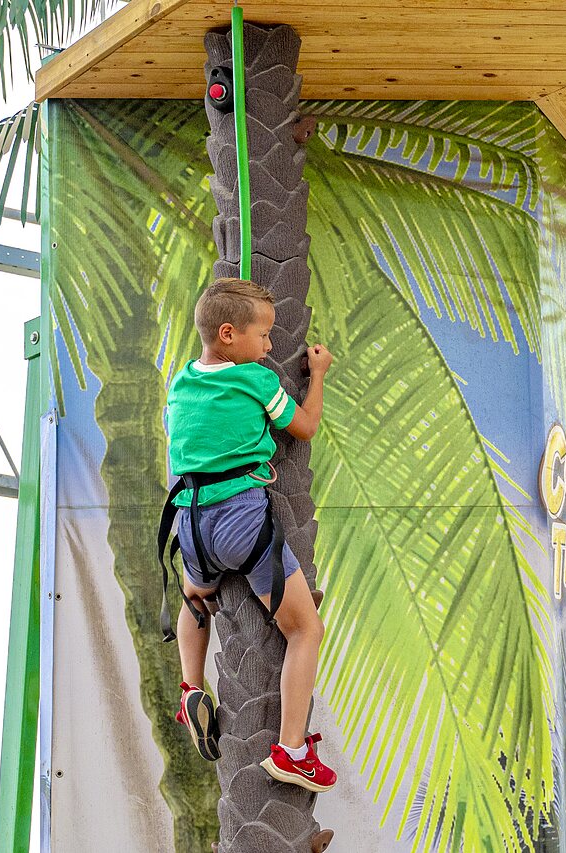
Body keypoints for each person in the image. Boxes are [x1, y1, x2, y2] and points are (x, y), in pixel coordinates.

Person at [166, 277, 336, 793]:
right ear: (227, 335)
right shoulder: (256, 380)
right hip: (241, 518)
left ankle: (192, 687)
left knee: (197, 597)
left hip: (189, 519)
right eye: (262, 335)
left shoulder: (181, 383)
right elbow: (304, 426)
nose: (268, 346)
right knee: (305, 630)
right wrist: (319, 375)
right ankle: (291, 751)